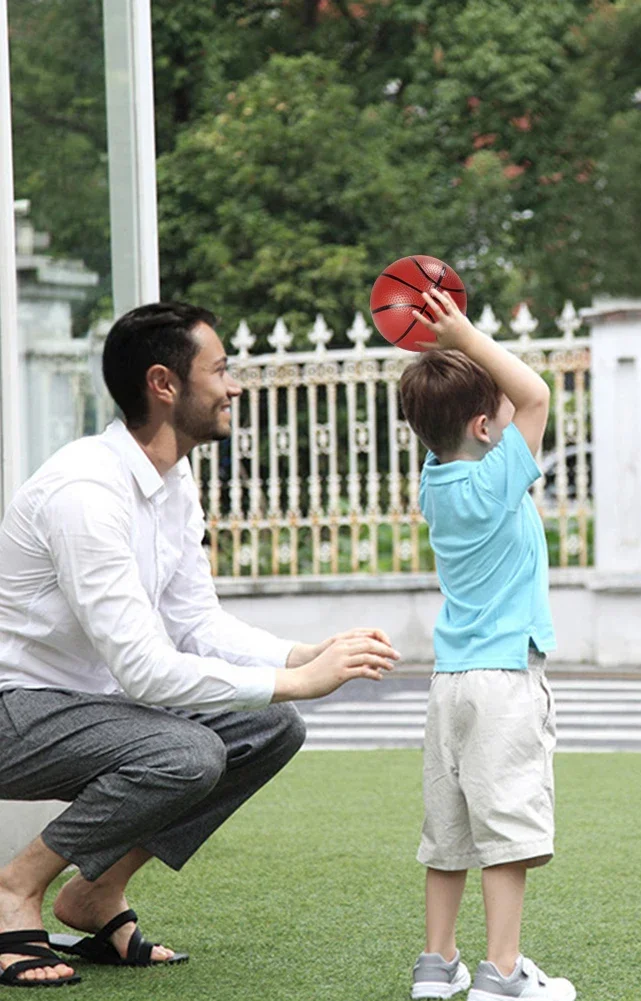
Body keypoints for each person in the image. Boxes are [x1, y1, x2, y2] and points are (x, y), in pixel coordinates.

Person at [0, 302, 400, 987]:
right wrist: (300, 680)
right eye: (220, 370)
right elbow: (146, 671)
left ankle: (96, 890)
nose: (234, 386)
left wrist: (297, 657)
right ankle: (15, 887)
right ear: (164, 384)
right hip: (15, 710)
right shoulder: (86, 492)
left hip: (90, 709)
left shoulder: (171, 480)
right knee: (187, 752)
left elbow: (196, 624)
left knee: (271, 726)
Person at [398, 288, 574, 1001]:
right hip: (503, 681)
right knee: (506, 835)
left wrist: (442, 355)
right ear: (482, 426)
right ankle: (501, 972)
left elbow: (491, 407)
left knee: (448, 833)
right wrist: (464, 335)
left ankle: (437, 964)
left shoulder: (436, 482)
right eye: (498, 415)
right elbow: (537, 393)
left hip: (449, 685)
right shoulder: (495, 480)